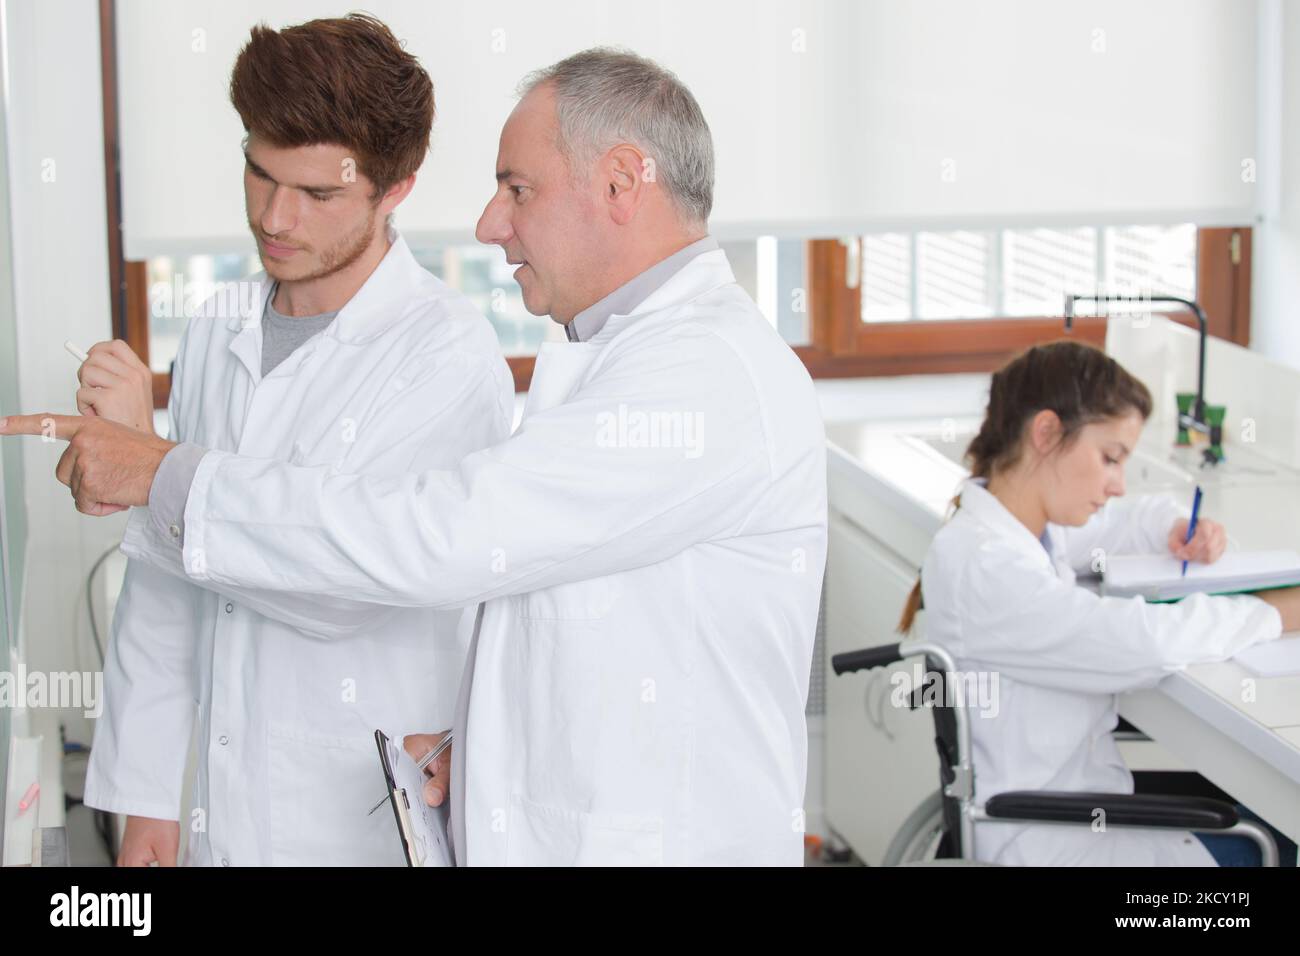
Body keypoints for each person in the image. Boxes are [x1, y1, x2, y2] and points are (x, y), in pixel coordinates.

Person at [3, 48, 829, 866]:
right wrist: (487, 747)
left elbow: (436, 539)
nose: (488, 223)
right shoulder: (617, 358)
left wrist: (159, 475)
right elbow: (593, 638)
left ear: (619, 182)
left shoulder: (704, 376)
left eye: (518, 189)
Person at [77, 14, 513, 866]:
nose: (275, 218)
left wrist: (155, 470)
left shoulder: (447, 355)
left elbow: (339, 584)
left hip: (356, 825)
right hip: (216, 811)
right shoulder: (218, 327)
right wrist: (145, 797)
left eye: (318, 195)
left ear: (396, 189)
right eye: (259, 172)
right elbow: (170, 584)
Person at [897, 340, 1300, 866]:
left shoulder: (1017, 532)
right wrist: (1274, 613)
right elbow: (1144, 642)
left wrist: (1174, 527)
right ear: (1046, 433)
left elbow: (1120, 522)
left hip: (1070, 812)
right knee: (1281, 841)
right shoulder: (989, 568)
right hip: (1054, 842)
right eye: (1110, 458)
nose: (1117, 484)